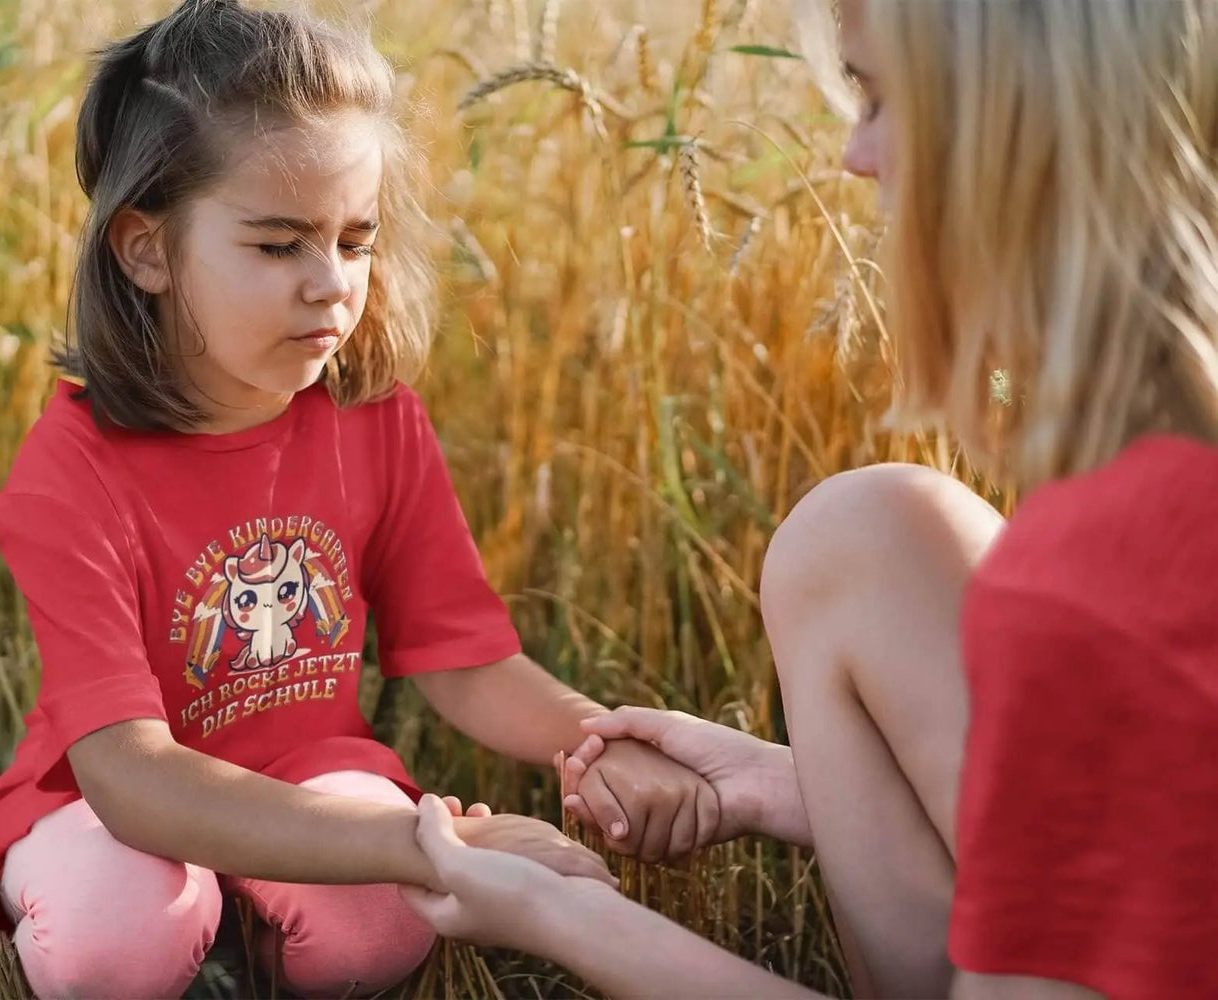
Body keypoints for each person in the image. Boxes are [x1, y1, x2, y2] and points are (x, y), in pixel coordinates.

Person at [402, 1, 1218, 998]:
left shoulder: (1104, 577)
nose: (854, 156)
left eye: (877, 99)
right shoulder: (1159, 489)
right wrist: (782, 782)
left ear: (1013, 126)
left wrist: (564, 916)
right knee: (863, 536)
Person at [0, 1, 724, 997]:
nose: (331, 286)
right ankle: (169, 919)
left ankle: (255, 944)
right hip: (114, 806)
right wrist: (427, 839)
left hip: (308, 768)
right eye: (278, 246)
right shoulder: (71, 471)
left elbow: (466, 660)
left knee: (372, 936)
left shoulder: (376, 420)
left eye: (354, 241)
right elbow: (133, 775)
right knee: (111, 946)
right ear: (145, 249)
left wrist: (604, 741)